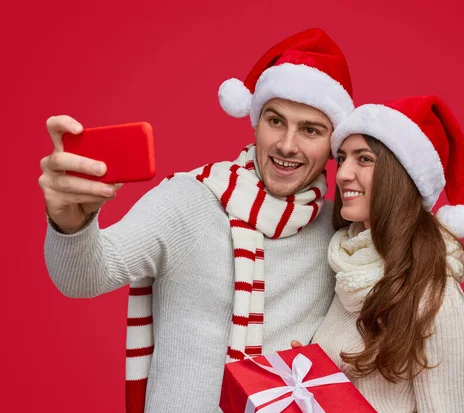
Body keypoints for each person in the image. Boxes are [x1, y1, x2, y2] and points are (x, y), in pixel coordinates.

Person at [38, 28, 355, 412]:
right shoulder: (188, 200)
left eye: (310, 130)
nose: (287, 145)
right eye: (275, 121)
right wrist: (71, 225)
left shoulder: (340, 233)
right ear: (255, 121)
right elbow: (84, 278)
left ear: (332, 145)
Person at [311, 96, 464, 412]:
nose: (343, 173)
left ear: (403, 176)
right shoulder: (350, 265)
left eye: (364, 159)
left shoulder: (435, 298)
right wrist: (306, 381)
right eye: (343, 158)